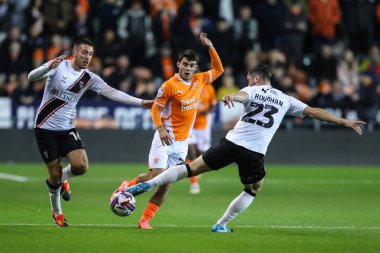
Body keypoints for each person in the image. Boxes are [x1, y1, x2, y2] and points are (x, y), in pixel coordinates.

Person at [123, 64, 366, 232]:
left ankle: (147, 184)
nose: (249, 82)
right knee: (254, 188)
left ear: (257, 79)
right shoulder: (285, 98)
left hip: (231, 142)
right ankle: (221, 224)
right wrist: (344, 121)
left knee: (192, 168)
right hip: (254, 151)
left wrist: (231, 97)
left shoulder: (252, 89)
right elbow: (313, 112)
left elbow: (240, 95)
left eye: (250, 78)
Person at [28, 38, 153, 227]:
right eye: (84, 52)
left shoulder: (89, 78)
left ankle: (63, 179)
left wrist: (141, 102)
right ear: (75, 52)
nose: (88, 57)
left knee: (81, 166)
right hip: (45, 127)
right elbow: (31, 77)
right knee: (53, 176)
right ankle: (57, 214)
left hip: (67, 128)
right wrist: (47, 68)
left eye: (90, 54)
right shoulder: (59, 65)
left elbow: (112, 92)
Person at [114, 33, 224, 229]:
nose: (188, 68)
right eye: (185, 64)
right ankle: (126, 187)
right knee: (155, 177)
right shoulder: (169, 86)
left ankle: (144, 220)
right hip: (165, 138)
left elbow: (218, 69)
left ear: (195, 67)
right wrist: (160, 129)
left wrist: (210, 47)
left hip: (182, 144)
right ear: (178, 64)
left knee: (166, 184)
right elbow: (155, 109)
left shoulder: (200, 80)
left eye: (192, 65)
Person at [187, 83, 217, 194]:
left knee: (201, 153)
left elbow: (214, 104)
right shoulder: (186, 87)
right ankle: (194, 183)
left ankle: (197, 171)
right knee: (190, 152)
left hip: (203, 126)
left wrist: (207, 112)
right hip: (189, 125)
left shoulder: (209, 88)